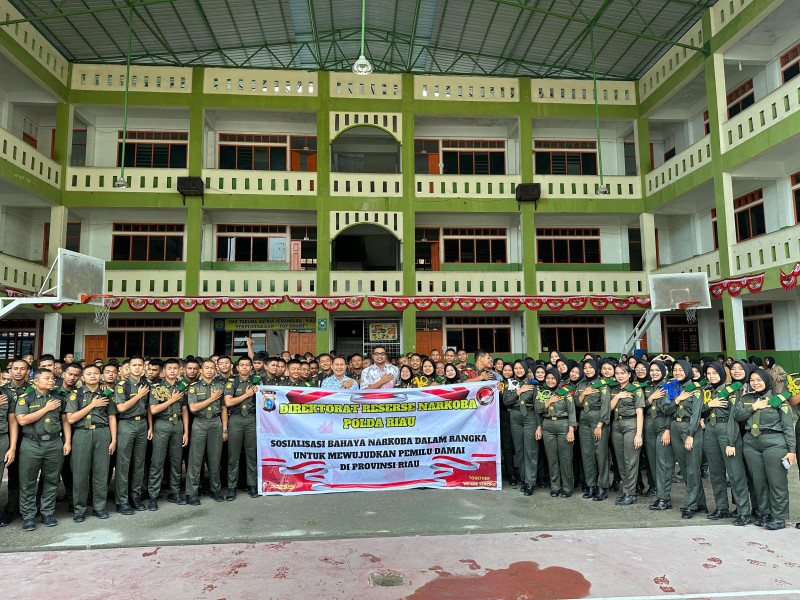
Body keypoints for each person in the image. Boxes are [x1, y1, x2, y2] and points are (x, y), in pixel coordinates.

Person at [734, 368, 795, 529]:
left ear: (767, 381)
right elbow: (738, 416)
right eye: (752, 380)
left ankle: (779, 517)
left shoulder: (778, 399)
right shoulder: (747, 399)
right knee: (758, 482)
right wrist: (753, 407)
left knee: (777, 482)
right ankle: (765, 513)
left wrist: (791, 451)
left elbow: (788, 427)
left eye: (759, 380)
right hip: (751, 444)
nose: (755, 383)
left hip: (774, 443)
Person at [16, 368, 71, 531]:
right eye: (47, 378)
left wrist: (67, 441)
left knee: (52, 480)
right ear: (36, 381)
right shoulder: (25, 398)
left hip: (54, 443)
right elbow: (22, 420)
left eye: (53, 378)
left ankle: (47, 512)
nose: (51, 381)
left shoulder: (59, 397)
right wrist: (46, 408)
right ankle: (28, 516)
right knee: (27, 482)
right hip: (32, 444)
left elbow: (65, 420)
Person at [66, 364, 116, 521]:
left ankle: (99, 507)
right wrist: (92, 405)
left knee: (101, 472)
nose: (93, 376)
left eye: (96, 373)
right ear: (83, 377)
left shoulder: (107, 394)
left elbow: (112, 417)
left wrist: (113, 439)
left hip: (102, 433)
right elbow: (71, 418)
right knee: (80, 473)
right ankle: (79, 509)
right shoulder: (76, 395)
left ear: (100, 376)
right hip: (82, 434)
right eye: (89, 374)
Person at [702, 361, 750, 523]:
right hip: (710, 430)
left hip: (727, 430)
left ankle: (743, 511)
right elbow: (696, 411)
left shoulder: (731, 391)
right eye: (708, 374)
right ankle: (721, 507)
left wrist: (731, 441)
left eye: (714, 373)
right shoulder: (707, 390)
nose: (711, 376)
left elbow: (733, 418)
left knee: (736, 473)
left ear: (722, 374)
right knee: (715, 473)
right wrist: (709, 404)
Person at [663, 360, 707, 519]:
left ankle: (690, 505)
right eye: (675, 370)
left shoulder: (696, 389)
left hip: (690, 429)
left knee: (692, 468)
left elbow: (696, 414)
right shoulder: (673, 387)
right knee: (684, 467)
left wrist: (691, 434)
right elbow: (666, 409)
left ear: (688, 370)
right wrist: (677, 399)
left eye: (681, 369)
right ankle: (700, 502)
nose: (677, 372)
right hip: (675, 427)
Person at [148, 358, 189, 507]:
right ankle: (153, 495)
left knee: (176, 461)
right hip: (162, 424)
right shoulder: (157, 387)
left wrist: (186, 431)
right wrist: (172, 400)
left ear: (179, 370)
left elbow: (184, 410)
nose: (172, 371)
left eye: (175, 368)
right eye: (169, 368)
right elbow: (153, 410)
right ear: (163, 371)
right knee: (157, 461)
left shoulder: (182, 386)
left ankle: (175, 493)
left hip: (177, 425)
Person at [186, 360, 228, 505]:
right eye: (206, 368)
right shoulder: (194, 387)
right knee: (195, 460)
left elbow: (223, 408)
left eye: (212, 368)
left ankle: (215, 490)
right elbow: (193, 408)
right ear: (201, 371)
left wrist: (224, 429)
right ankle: (191, 493)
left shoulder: (220, 386)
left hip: (216, 423)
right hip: (200, 423)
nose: (209, 370)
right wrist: (211, 398)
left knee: (215, 459)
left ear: (215, 370)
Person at [114, 356, 150, 515]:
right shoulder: (122, 385)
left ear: (143, 367)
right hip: (126, 424)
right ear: (128, 368)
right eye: (133, 365)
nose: (137, 368)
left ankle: (135, 496)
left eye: (139, 365)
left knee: (139, 462)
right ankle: (122, 501)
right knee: (123, 463)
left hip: (142, 424)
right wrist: (138, 395)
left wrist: (150, 426)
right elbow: (121, 407)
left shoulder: (145, 384)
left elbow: (149, 407)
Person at [575, 358, 611, 501]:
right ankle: (591, 486)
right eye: (585, 368)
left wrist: (600, 424)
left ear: (596, 368)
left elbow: (606, 406)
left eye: (591, 367)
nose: (588, 370)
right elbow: (576, 404)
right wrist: (584, 393)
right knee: (587, 455)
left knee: (601, 455)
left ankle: (602, 487)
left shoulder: (602, 384)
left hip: (598, 420)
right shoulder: (581, 384)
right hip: (584, 419)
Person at [535, 368, 575, 497]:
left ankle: (568, 487)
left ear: (557, 379)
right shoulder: (542, 392)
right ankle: (555, 486)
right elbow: (538, 409)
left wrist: (571, 430)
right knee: (552, 459)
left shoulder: (565, 393)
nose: (550, 381)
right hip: (548, 426)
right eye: (548, 378)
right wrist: (549, 401)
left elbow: (572, 412)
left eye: (553, 378)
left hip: (563, 425)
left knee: (566, 458)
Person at [223, 356, 259, 500]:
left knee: (251, 454)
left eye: (247, 365)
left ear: (251, 368)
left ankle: (252, 485)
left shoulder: (257, 382)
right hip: (236, 419)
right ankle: (232, 487)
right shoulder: (232, 382)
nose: (244, 367)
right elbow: (228, 402)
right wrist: (247, 394)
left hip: (251, 419)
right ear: (237, 368)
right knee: (233, 454)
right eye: (242, 365)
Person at [609, 364, 644, 505]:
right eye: (617, 373)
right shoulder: (614, 390)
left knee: (631, 461)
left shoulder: (636, 389)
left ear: (629, 374)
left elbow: (640, 412)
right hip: (616, 425)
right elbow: (608, 408)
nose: (619, 376)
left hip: (631, 425)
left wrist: (639, 434)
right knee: (621, 461)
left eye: (623, 373)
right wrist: (617, 396)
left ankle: (630, 493)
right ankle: (629, 490)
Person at [503, 360, 539, 496]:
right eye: (516, 368)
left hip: (530, 416)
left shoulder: (533, 383)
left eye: (520, 368)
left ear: (525, 369)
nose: (518, 370)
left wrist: (539, 425)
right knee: (519, 449)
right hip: (515, 416)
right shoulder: (511, 384)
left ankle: (530, 482)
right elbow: (506, 401)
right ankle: (524, 479)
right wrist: (519, 391)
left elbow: (537, 403)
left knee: (530, 450)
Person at [645, 361, 674, 511]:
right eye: (652, 370)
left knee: (663, 463)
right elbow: (640, 406)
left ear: (664, 371)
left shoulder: (670, 386)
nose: (654, 373)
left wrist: (668, 429)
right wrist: (651, 397)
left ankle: (665, 498)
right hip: (648, 425)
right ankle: (659, 494)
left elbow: (671, 410)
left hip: (663, 426)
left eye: (657, 370)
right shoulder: (647, 387)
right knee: (653, 463)